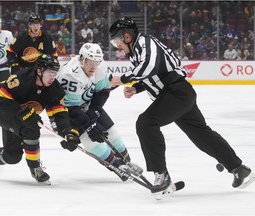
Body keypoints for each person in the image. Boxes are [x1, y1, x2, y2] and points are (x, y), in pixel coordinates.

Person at [109, 17, 254, 196]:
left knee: (146, 123)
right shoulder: (135, 53)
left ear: (127, 36)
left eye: (117, 40)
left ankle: (161, 175)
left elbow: (150, 66)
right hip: (176, 95)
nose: (117, 45)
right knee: (202, 135)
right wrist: (137, 88)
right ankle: (239, 168)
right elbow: (155, 74)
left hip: (176, 92)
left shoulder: (146, 43)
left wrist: (123, 79)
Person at [0, 54, 80, 185]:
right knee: (31, 128)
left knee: (12, 157)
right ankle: (35, 168)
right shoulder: (21, 79)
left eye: (55, 73)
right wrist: (23, 112)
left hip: (20, 112)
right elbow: (2, 102)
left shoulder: (55, 90)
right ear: (39, 71)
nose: (53, 77)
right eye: (50, 73)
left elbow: (59, 116)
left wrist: (68, 132)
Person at [55, 42, 143, 181]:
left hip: (87, 105)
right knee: (92, 143)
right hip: (67, 112)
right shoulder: (70, 75)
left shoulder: (99, 67)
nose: (94, 66)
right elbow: (71, 109)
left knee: (112, 133)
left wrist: (94, 111)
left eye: (97, 61)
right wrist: (90, 124)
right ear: (82, 59)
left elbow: (103, 91)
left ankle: (128, 162)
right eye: (90, 62)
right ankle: (117, 166)